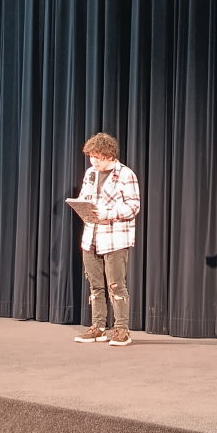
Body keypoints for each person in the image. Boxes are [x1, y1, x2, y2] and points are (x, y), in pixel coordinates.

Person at [74, 132, 140, 346]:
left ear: (109, 155)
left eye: (97, 157)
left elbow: (134, 206)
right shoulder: (90, 173)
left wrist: (108, 213)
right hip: (91, 236)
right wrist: (80, 204)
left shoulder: (125, 174)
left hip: (115, 238)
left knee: (115, 285)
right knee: (95, 285)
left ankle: (122, 329)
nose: (93, 161)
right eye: (91, 157)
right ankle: (98, 327)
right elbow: (85, 197)